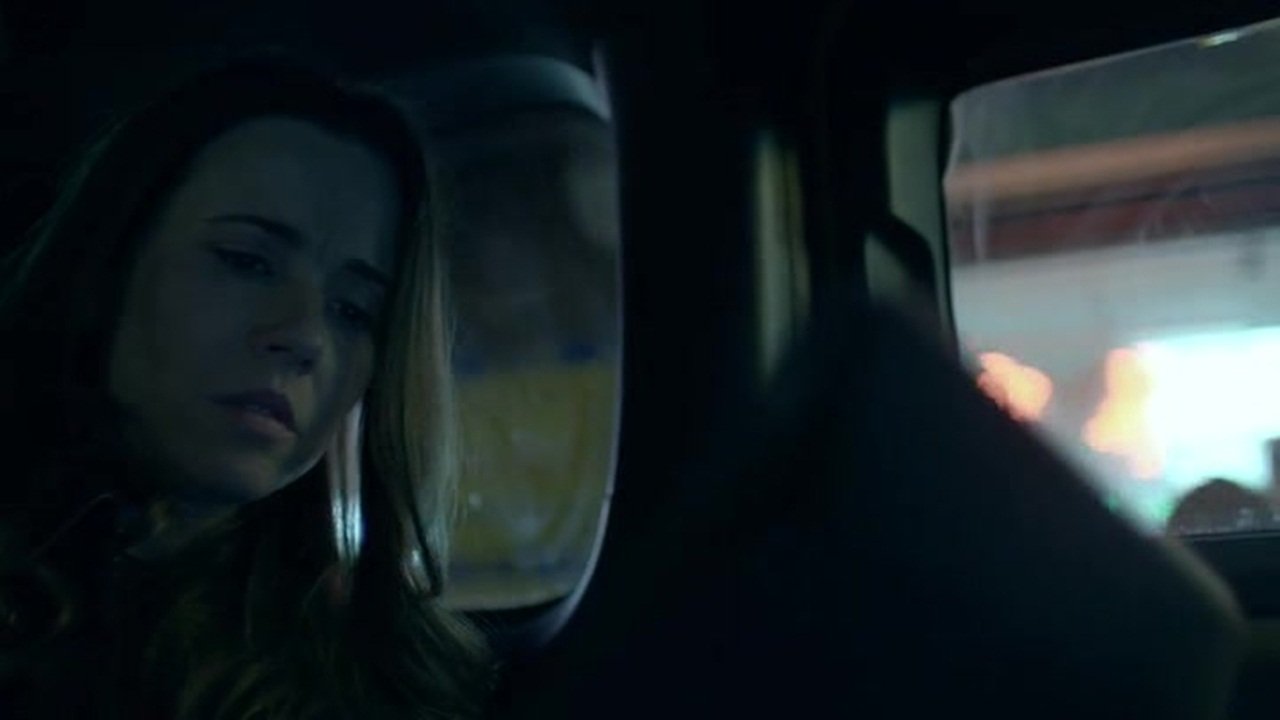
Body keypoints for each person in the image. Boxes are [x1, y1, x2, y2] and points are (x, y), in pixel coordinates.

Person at [0, 58, 493, 718]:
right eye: (247, 261)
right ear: (110, 259)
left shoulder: (388, 679)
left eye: (354, 310)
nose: (306, 336)